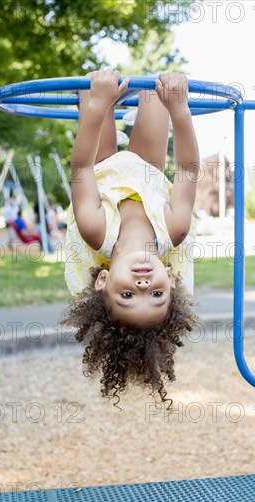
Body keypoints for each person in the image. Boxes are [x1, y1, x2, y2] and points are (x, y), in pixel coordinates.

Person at [63, 69, 200, 409]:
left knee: (95, 87)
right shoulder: (174, 230)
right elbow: (187, 170)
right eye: (156, 293)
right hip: (148, 165)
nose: (142, 285)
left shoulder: (96, 231)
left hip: (101, 163)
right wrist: (180, 110)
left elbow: (80, 170)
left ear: (103, 280)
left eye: (126, 294)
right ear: (169, 278)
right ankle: (145, 101)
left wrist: (97, 106)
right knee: (157, 89)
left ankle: (102, 98)